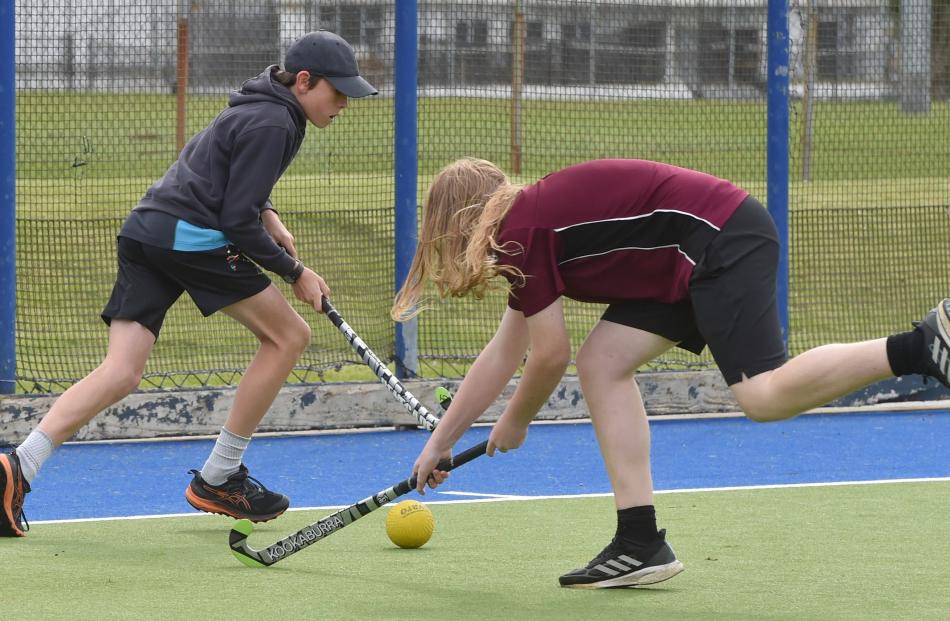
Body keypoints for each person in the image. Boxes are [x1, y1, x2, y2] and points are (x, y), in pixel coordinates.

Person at [391, 157, 950, 589]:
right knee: (603, 362)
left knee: (763, 394)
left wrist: (515, 421)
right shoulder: (528, 224)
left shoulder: (520, 229)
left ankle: (922, 346)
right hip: (689, 251)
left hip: (720, 238)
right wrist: (439, 443)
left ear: (454, 220)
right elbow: (502, 352)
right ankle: (639, 540)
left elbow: (547, 355)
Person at [0, 31, 378, 538]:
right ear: (305, 81)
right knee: (290, 337)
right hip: (188, 238)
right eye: (339, 94)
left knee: (122, 371)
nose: (343, 105)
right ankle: (220, 476)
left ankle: (19, 466)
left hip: (146, 230)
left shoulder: (258, 104)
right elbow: (235, 221)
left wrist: (270, 215)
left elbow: (229, 181)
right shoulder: (276, 120)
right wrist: (296, 274)